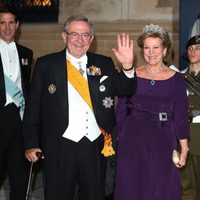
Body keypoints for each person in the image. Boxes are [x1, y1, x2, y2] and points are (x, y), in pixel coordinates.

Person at [22, 15, 136, 200]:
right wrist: (30, 143)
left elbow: (126, 89)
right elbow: (33, 107)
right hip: (59, 145)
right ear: (64, 36)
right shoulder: (46, 65)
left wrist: (128, 66)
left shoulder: (103, 63)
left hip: (94, 145)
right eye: (74, 34)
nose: (79, 40)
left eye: (85, 35)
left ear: (91, 39)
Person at [114, 24, 189, 200]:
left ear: (165, 50)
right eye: (146, 47)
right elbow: (121, 108)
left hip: (164, 138)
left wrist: (184, 148)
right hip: (132, 139)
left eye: (156, 47)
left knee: (161, 187)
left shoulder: (176, 79)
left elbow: (180, 115)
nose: (151, 52)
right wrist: (117, 138)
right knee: (132, 186)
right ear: (142, 51)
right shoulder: (130, 74)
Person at [0, 4, 33, 200]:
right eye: (2, 23)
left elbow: (27, 87)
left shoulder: (26, 53)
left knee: (19, 177)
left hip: (20, 120)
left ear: (17, 25)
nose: (7, 27)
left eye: (11, 22)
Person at [180, 35, 200, 200]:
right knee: (186, 185)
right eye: (190, 48)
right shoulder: (178, 77)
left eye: (198, 48)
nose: (193, 51)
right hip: (184, 133)